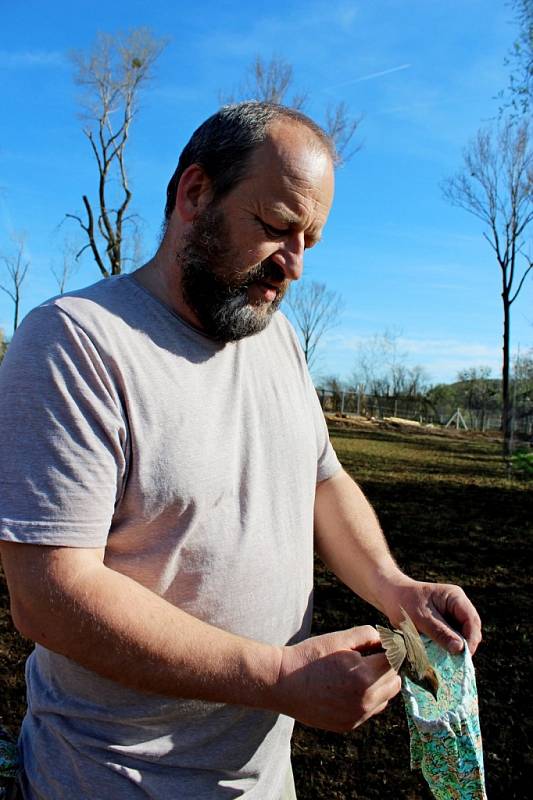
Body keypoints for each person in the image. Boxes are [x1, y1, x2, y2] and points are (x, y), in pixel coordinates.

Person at [0, 102, 482, 800]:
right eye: (276, 228)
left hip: (260, 779)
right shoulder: (76, 343)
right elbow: (48, 596)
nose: (292, 265)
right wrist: (278, 677)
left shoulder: (274, 338)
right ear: (195, 194)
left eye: (309, 239)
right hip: (113, 781)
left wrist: (392, 585)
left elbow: (321, 480)